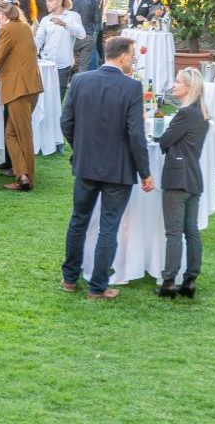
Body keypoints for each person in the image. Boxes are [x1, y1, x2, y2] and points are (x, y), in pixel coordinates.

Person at [60, 36, 153, 300]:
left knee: (79, 220)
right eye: (132, 55)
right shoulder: (131, 87)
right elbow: (136, 134)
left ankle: (69, 278)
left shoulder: (81, 80)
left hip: (86, 163)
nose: (133, 60)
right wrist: (145, 172)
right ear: (122, 56)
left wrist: (80, 147)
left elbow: (66, 122)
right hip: (118, 167)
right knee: (108, 227)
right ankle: (98, 286)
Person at [154, 67, 210, 299]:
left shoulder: (186, 114)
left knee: (174, 232)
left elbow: (165, 140)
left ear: (189, 87)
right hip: (193, 178)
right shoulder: (201, 113)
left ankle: (169, 280)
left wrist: (166, 141)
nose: (174, 85)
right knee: (191, 231)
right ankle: (190, 279)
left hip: (178, 178)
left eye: (178, 82)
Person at [0, 2, 42, 191]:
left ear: (3, 15)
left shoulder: (8, 29)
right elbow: (19, 56)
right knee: (11, 134)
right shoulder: (24, 27)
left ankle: (29, 178)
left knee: (22, 134)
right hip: (31, 85)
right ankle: (22, 175)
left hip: (18, 89)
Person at [35, 0, 85, 99]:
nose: (47, 3)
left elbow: (82, 34)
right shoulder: (45, 19)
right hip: (46, 62)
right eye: (46, 1)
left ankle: (58, 117)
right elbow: (39, 40)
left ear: (59, 1)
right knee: (44, 97)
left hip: (63, 64)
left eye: (50, 1)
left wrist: (64, 24)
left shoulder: (73, 16)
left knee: (58, 97)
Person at [69, 0, 99, 75]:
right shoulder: (93, 0)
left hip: (72, 35)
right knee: (84, 66)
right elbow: (97, 20)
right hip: (87, 34)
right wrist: (94, 35)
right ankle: (82, 84)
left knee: (67, 61)